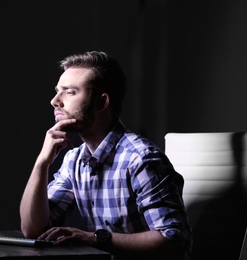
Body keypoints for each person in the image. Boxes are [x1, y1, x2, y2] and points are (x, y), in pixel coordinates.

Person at [19, 51, 192, 259]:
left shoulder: (141, 159)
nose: (55, 101)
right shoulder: (74, 161)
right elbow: (32, 230)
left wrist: (93, 238)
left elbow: (174, 239)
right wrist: (42, 164)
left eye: (70, 92)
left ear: (101, 103)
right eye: (57, 91)